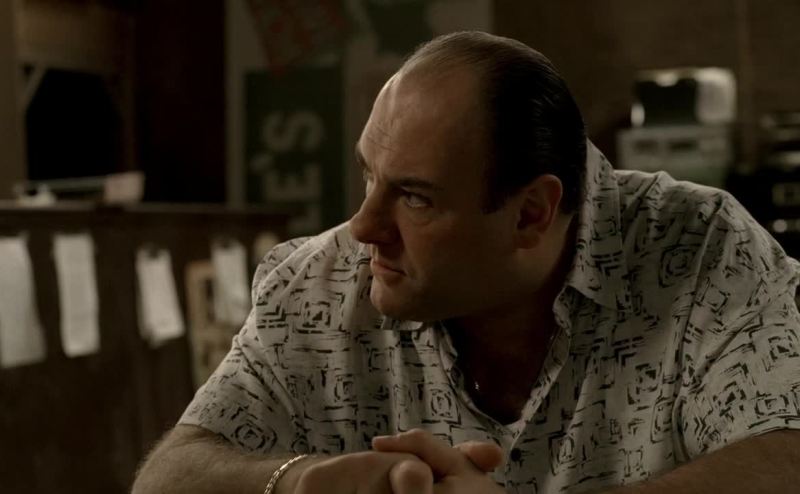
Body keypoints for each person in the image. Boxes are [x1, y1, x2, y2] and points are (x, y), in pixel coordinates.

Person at [132, 31, 800, 494]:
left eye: (414, 197)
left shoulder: (701, 249)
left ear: (530, 214)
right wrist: (297, 480)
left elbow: (786, 455)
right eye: (370, 176)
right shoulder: (315, 286)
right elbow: (167, 478)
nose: (364, 228)